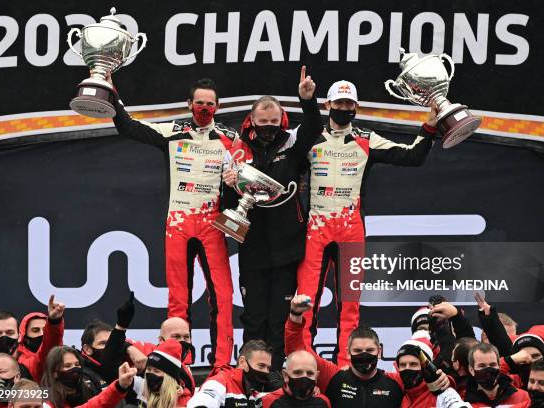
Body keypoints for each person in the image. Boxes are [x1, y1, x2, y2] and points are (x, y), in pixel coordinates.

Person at [295, 79, 437, 365]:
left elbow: (412, 157)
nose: (344, 109)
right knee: (307, 299)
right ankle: (304, 361)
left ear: (356, 108)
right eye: (339, 104)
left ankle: (346, 364)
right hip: (316, 230)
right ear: (328, 105)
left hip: (351, 230)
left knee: (350, 304)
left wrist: (429, 127)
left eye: (349, 105)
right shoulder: (309, 135)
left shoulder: (366, 138)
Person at [110, 75, 237, 369]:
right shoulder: (173, 131)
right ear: (189, 104)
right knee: (178, 298)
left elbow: (251, 174)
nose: (204, 108)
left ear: (218, 107)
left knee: (223, 296)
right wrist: (110, 89)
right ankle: (180, 361)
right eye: (199, 103)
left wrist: (236, 182)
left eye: (210, 104)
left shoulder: (230, 139)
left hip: (213, 224)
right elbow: (128, 126)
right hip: (178, 223)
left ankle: (221, 365)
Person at [220, 66, 322, 372]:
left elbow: (314, 126)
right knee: (253, 319)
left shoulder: (292, 144)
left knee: (280, 319)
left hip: (288, 249)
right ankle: (251, 376)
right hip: (252, 250)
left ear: (282, 121)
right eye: (262, 123)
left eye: (273, 122)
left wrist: (308, 100)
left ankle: (279, 376)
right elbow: (229, 203)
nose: (268, 127)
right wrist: (228, 184)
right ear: (252, 121)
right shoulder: (237, 151)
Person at [286, 295, 450, 408]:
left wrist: (444, 378)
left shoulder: (396, 381)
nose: (364, 354)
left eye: (369, 350)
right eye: (358, 350)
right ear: (348, 352)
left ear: (379, 352)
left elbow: (424, 386)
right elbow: (297, 353)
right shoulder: (333, 376)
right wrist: (295, 316)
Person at [0, 295, 65, 385]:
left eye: (10, 332)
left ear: (19, 336)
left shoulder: (32, 365)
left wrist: (55, 321)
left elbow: (49, 348)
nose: (4, 337)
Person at [40, 346, 135, 408]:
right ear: (54, 373)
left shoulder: (87, 387)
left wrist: (121, 385)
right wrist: (119, 386)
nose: (74, 369)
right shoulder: (42, 394)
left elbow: (100, 402)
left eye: (77, 364)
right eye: (67, 366)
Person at [187, 340, 272, 408]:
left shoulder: (255, 393)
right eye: (261, 366)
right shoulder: (219, 382)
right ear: (242, 362)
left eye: (268, 368)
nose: (266, 371)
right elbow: (200, 403)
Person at [463, 343, 529, 407]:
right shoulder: (464, 403)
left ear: (499, 366)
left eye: (492, 365)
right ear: (471, 370)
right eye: (482, 366)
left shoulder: (523, 397)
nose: (488, 369)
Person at [132, 339, 194, 407]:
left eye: (156, 371)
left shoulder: (187, 403)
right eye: (148, 369)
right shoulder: (142, 386)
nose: (151, 374)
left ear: (169, 377)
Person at [394, 338, 453, 408]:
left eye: (413, 364)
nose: (407, 368)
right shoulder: (395, 385)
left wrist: (448, 381)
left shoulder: (440, 392)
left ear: (425, 367)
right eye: (403, 365)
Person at [261, 350, 331, 408]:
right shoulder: (268, 402)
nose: (304, 377)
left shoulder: (323, 402)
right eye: (298, 373)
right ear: (285, 375)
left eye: (310, 373)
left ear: (316, 376)